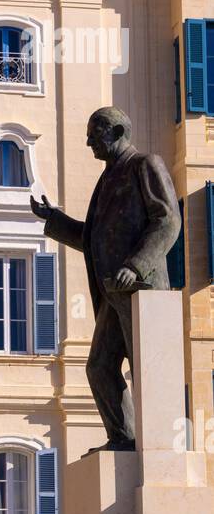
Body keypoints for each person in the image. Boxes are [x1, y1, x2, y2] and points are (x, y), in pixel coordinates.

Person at [30, 106, 180, 453]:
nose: (87, 143)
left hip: (141, 291)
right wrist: (55, 220)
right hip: (114, 293)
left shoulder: (145, 164)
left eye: (93, 135)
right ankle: (123, 438)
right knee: (99, 368)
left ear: (115, 132)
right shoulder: (108, 177)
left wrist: (137, 265)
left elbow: (168, 220)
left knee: (149, 373)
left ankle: (162, 450)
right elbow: (94, 238)